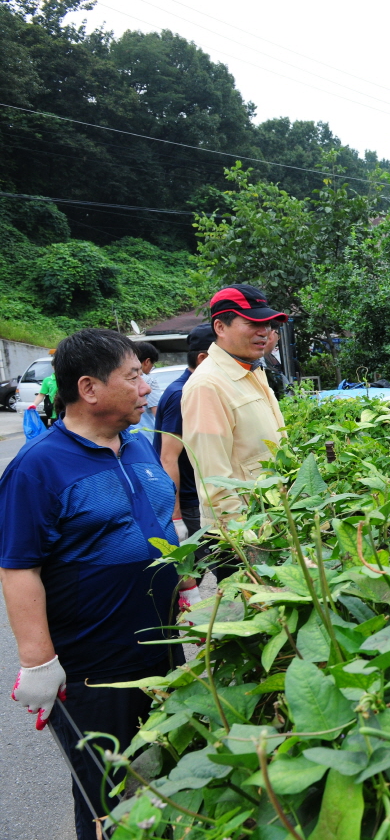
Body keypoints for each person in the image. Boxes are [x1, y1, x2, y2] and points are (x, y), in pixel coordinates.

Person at [0, 329, 179, 839]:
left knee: (162, 780)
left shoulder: (138, 446)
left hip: (161, 649)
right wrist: (38, 661)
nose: (147, 387)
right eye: (134, 376)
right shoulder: (39, 468)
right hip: (94, 667)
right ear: (90, 388)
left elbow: (155, 522)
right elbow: (17, 566)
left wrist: (177, 582)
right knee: (106, 797)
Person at [182, 284, 287, 536]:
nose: (265, 332)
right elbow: (214, 480)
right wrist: (242, 540)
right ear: (220, 327)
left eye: (269, 325)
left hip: (271, 520)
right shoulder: (207, 385)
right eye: (253, 323)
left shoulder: (252, 371)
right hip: (244, 533)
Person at [154, 324, 216, 543]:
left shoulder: (199, 388)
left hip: (201, 497)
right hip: (190, 504)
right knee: (195, 570)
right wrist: (176, 516)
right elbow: (168, 457)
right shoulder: (181, 393)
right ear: (202, 358)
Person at [135, 340, 163, 432]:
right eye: (152, 364)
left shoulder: (120, 380)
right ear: (147, 361)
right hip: (146, 436)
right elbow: (159, 415)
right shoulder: (149, 382)